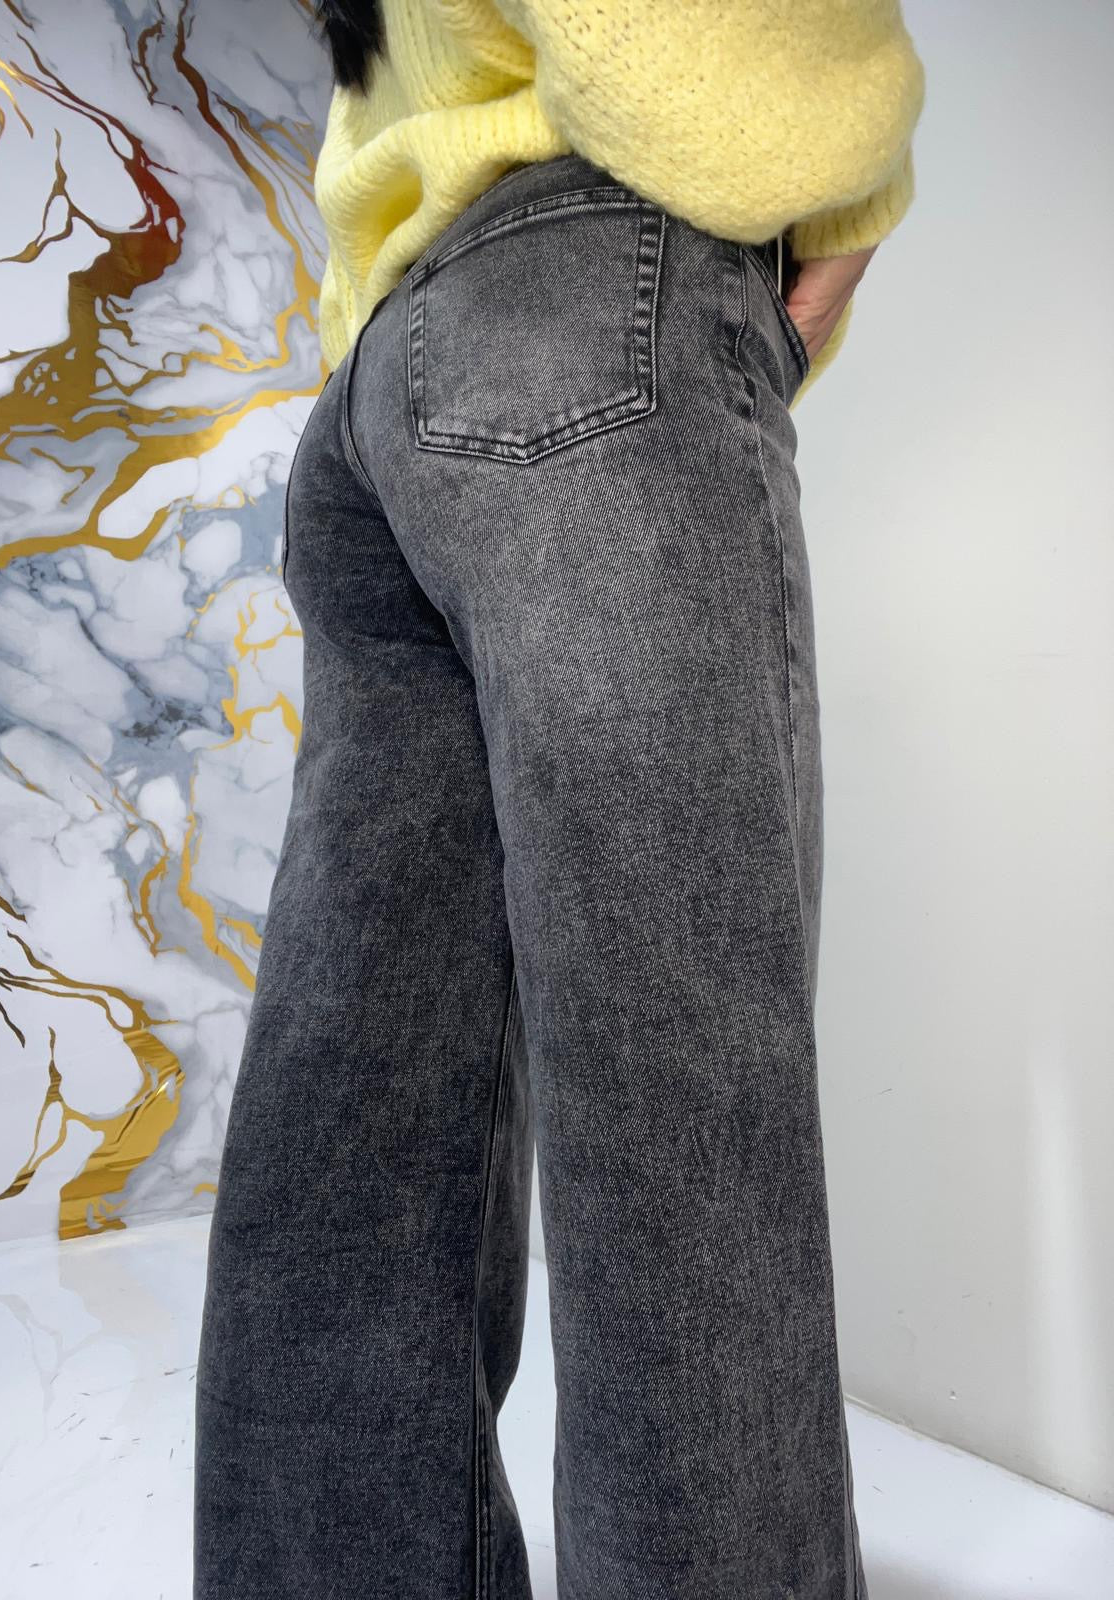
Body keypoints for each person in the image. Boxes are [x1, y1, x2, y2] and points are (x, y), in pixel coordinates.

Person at [192, 3, 926, 1598]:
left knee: (363, 1111)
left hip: (384, 373)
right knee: (675, 1109)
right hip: (588, 308)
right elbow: (685, 61)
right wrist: (854, 189)